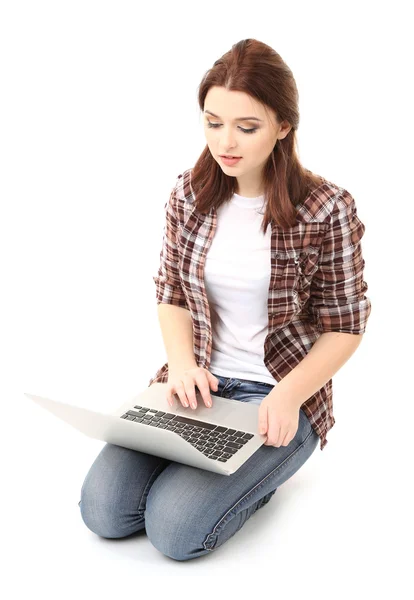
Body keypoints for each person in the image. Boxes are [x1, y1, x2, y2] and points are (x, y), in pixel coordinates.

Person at [78, 38, 372, 560]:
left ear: (283, 126)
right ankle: (208, 462)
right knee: (105, 511)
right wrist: (182, 364)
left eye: (247, 126)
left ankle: (254, 481)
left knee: (175, 533)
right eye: (213, 122)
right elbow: (170, 292)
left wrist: (289, 395)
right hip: (198, 385)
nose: (225, 141)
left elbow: (345, 326)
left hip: (277, 398)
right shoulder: (189, 195)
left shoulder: (326, 209)